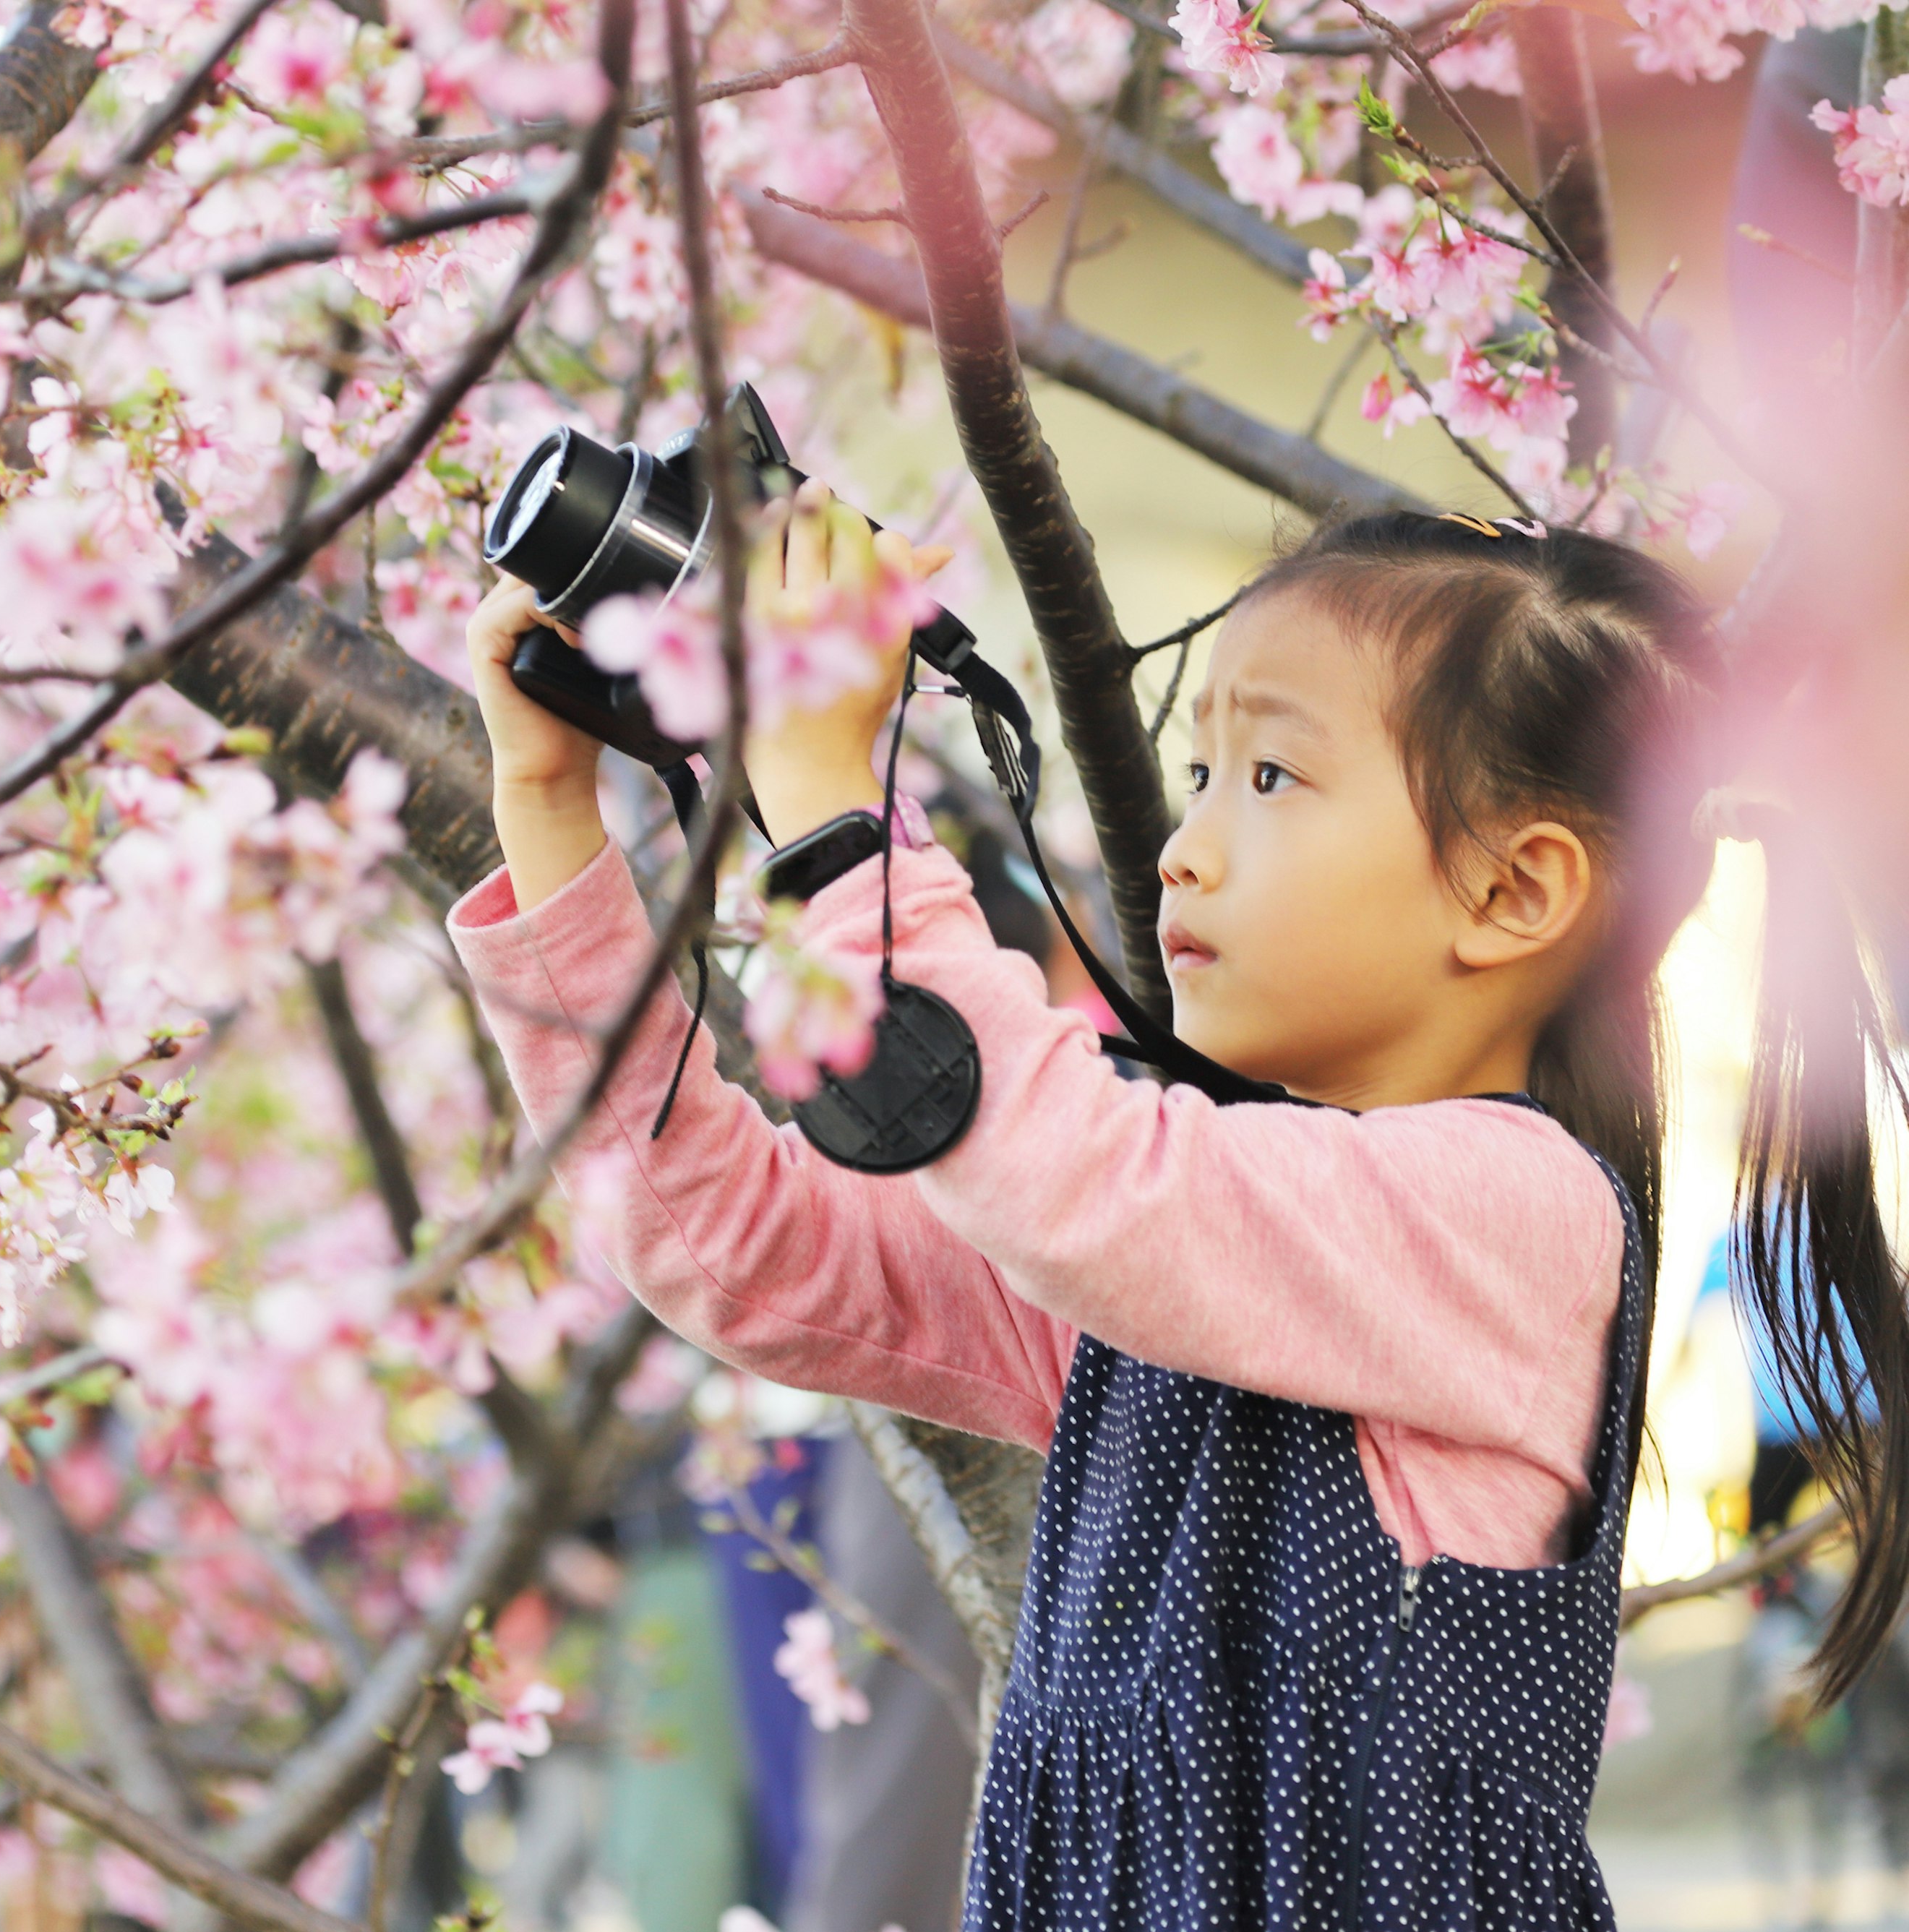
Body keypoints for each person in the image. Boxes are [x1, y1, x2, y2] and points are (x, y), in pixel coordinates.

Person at [444, 487, 1909, 1926]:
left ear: (1511, 890)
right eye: (1198, 776)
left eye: (1268, 778)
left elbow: (1055, 1159)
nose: (1183, 848)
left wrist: (841, 808)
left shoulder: (1514, 1210)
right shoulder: (1176, 1239)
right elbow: (746, 1252)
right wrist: (554, 819)